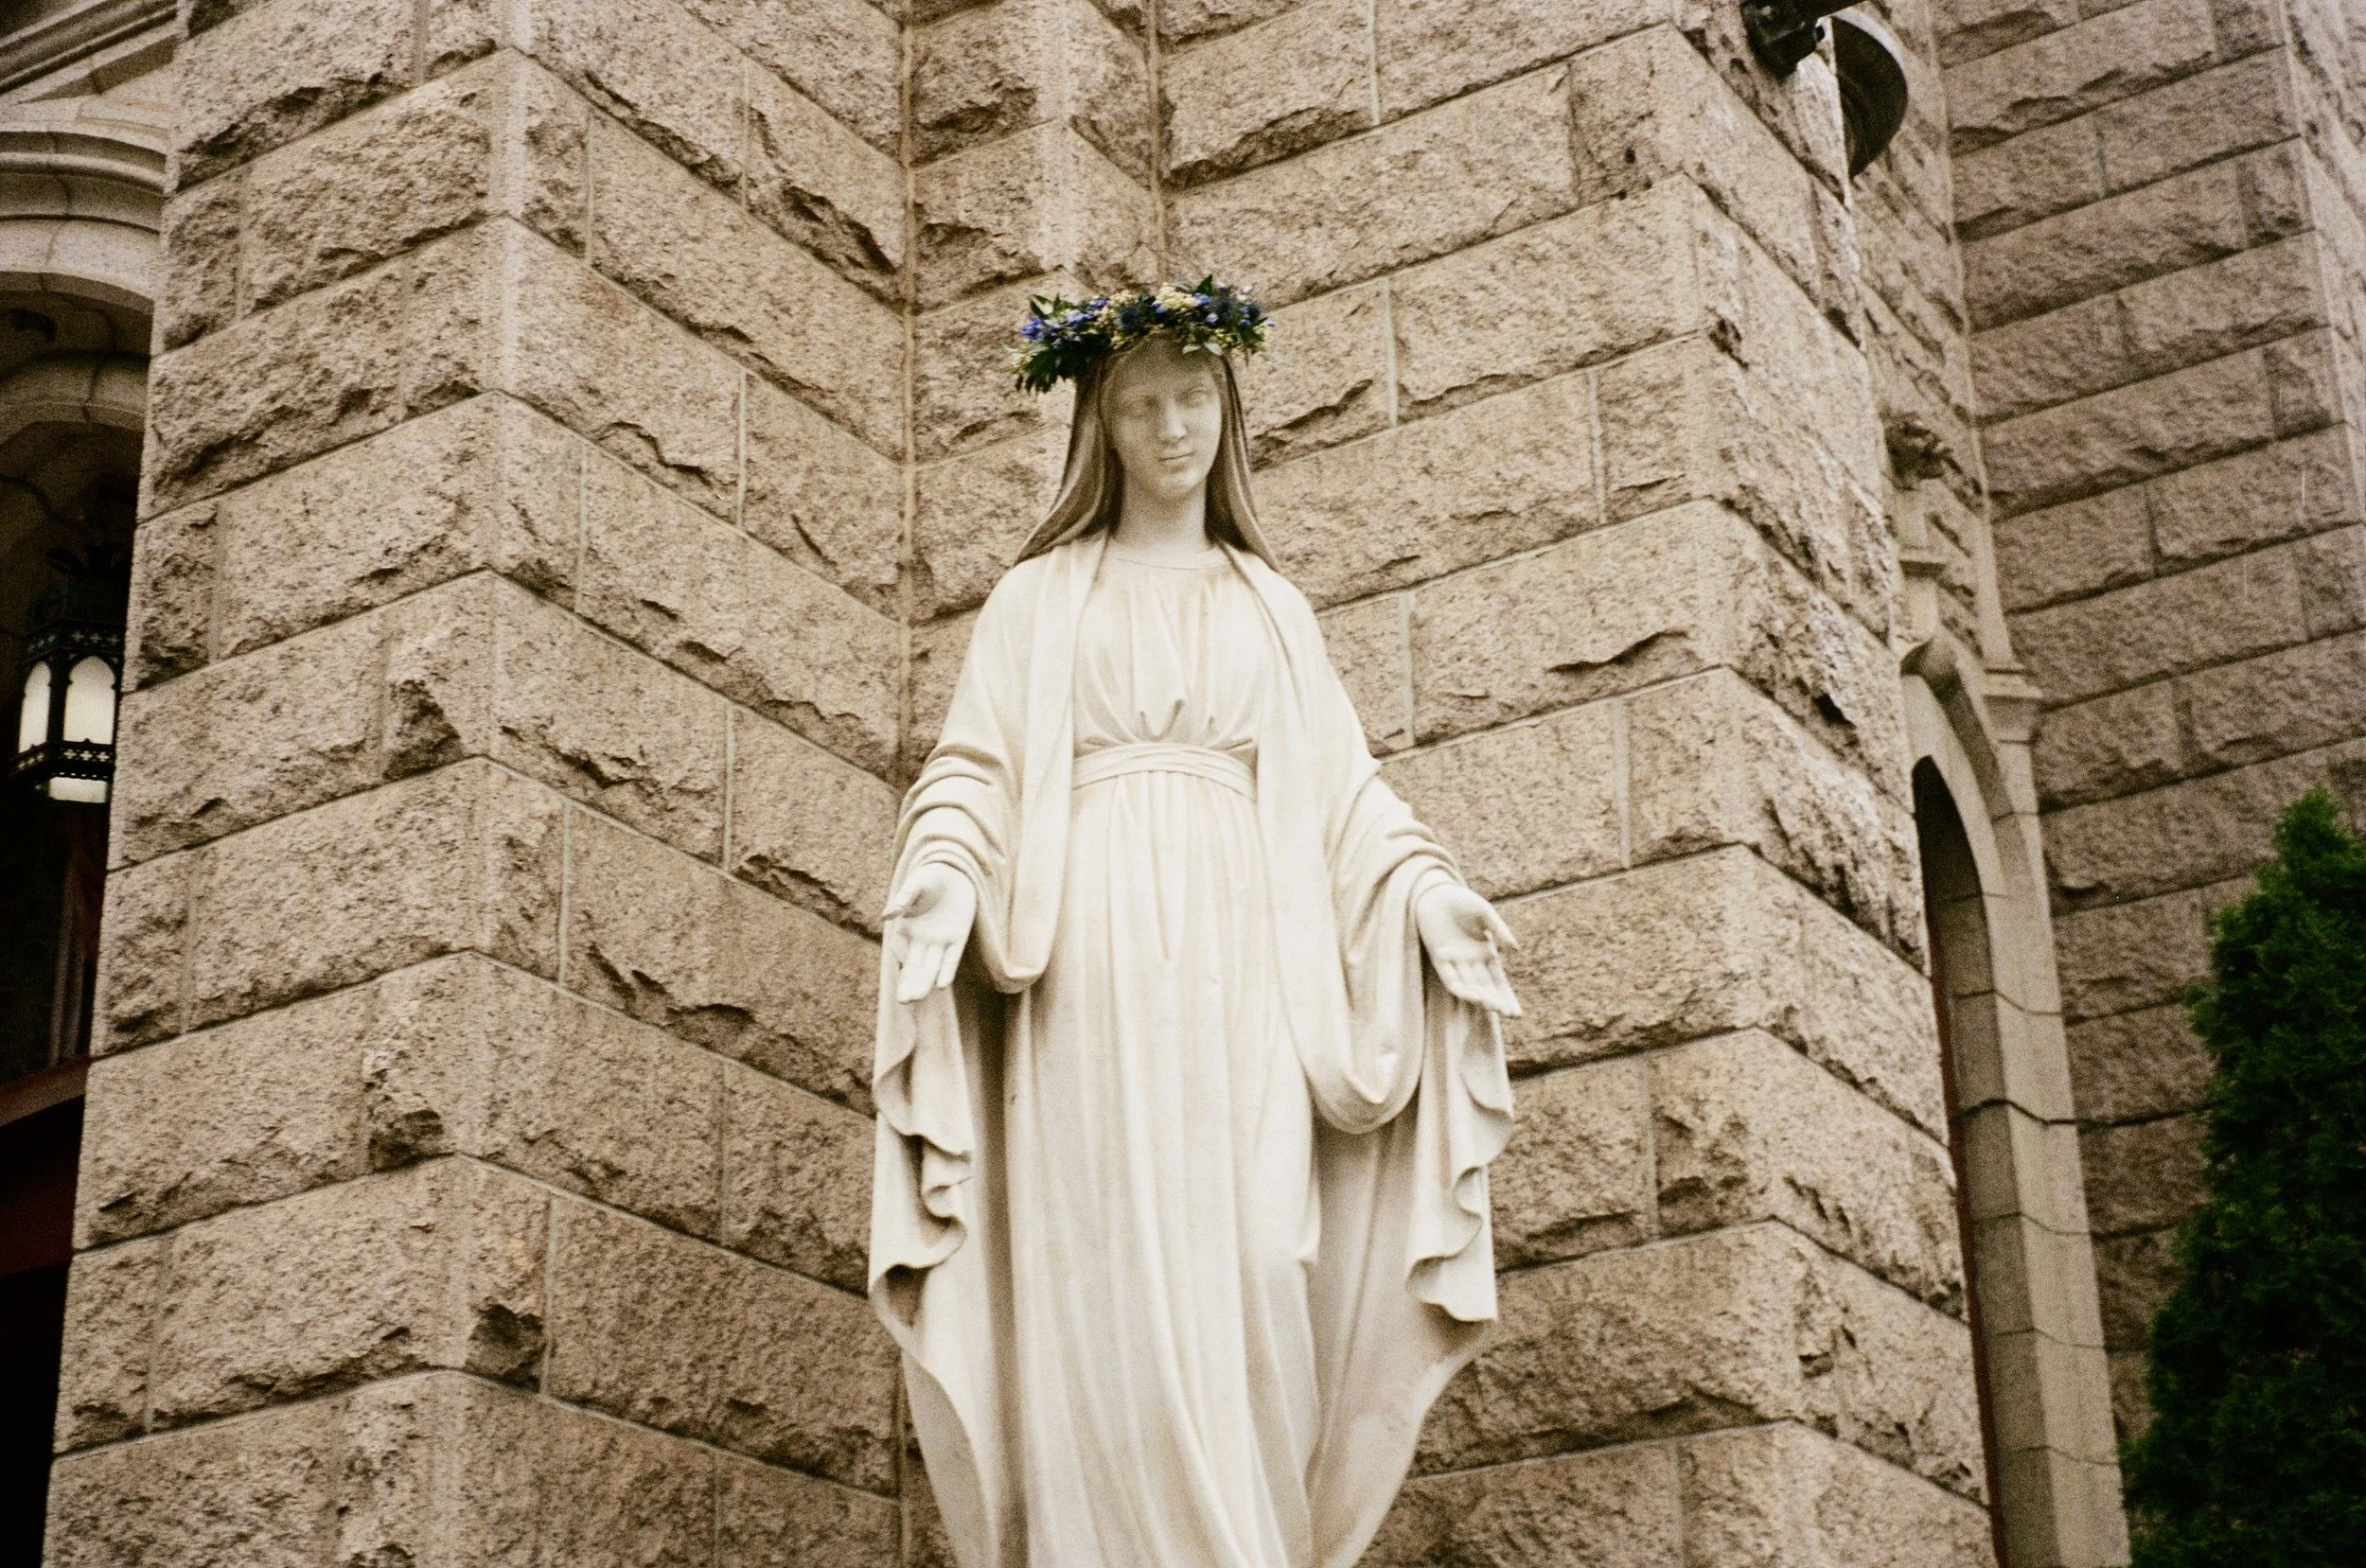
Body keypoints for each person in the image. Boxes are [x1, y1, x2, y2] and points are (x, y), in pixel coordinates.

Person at [868, 283, 1521, 1568]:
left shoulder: (1270, 609)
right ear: (1098, 430)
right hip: (1091, 965)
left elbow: (1347, 799)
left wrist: (1430, 897)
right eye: (1141, 404)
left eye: (1194, 398)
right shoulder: (1041, 599)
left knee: (1261, 1257)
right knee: (1102, 1270)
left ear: (1229, 412)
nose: (1173, 428)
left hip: (1251, 961)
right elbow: (975, 770)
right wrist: (944, 874)